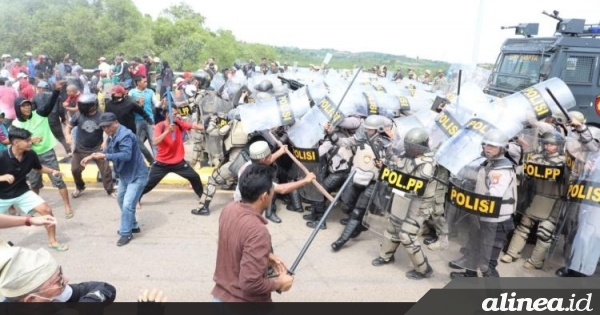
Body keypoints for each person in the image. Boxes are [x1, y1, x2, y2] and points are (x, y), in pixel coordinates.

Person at [212, 163, 294, 302]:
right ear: (263, 196)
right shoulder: (258, 231)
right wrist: (280, 283)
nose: (273, 193)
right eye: (271, 189)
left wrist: (265, 256)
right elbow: (250, 283)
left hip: (220, 299)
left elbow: (231, 245)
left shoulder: (229, 209)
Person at [370, 127, 441, 280]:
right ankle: (386, 256)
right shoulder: (406, 155)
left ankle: (423, 269)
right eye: (408, 144)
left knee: (407, 235)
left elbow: (415, 185)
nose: (408, 148)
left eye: (412, 146)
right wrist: (384, 168)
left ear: (421, 146)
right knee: (392, 227)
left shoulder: (428, 163)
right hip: (402, 197)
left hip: (418, 203)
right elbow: (398, 170)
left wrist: (393, 175)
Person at [449, 129, 517, 278]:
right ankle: (469, 276)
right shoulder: (490, 163)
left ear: (502, 148)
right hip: (482, 215)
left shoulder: (502, 170)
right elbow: (480, 178)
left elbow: (494, 194)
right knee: (473, 250)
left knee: (486, 264)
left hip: (496, 221)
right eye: (486, 145)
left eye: (492, 146)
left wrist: (473, 197)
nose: (487, 148)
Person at [80, 112, 148, 247]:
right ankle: (133, 224)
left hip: (136, 175)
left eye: (108, 126)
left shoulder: (125, 135)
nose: (106, 129)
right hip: (124, 174)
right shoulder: (113, 135)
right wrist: (92, 156)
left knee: (128, 204)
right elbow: (109, 150)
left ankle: (126, 232)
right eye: (103, 127)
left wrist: (104, 157)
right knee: (121, 199)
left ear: (116, 122)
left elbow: (126, 155)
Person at [11, 82, 74, 219]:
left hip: (47, 152)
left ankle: (67, 206)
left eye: (28, 105)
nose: (27, 108)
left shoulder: (40, 114)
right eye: (23, 106)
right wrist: (30, 141)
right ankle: (33, 208)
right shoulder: (16, 124)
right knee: (34, 183)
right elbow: (15, 142)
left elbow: (51, 102)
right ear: (18, 108)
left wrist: (56, 90)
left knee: (58, 180)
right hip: (29, 155)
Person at [0, 127, 68, 251]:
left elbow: (38, 167)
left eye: (30, 140)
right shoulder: (1, 156)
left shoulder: (30, 154)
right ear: (16, 142)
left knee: (47, 210)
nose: (30, 142)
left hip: (22, 192)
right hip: (2, 196)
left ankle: (52, 241)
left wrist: (52, 171)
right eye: (27, 141)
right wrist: (2, 177)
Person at [0, 242, 116, 303]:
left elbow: (105, 288)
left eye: (60, 274)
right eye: (58, 280)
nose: (66, 279)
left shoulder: (51, 295)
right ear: (31, 300)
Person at [231, 141, 316, 222]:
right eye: (270, 155)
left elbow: (268, 160)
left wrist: (281, 151)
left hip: (240, 204)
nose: (271, 157)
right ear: (264, 159)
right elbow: (282, 189)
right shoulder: (258, 176)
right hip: (247, 209)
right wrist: (305, 180)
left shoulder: (249, 164)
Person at [139, 106, 204, 206]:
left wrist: (207, 128)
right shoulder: (160, 126)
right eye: (173, 113)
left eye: (176, 113)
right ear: (166, 114)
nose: (176, 115)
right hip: (162, 163)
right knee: (148, 184)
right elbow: (155, 142)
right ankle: (136, 199)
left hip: (178, 162)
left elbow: (194, 126)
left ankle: (202, 198)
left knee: (195, 177)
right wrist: (167, 131)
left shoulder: (178, 123)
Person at [65, 94, 115, 198]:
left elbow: (107, 130)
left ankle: (110, 190)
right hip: (80, 148)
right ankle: (80, 187)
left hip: (98, 148)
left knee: (105, 170)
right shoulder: (78, 115)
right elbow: (68, 127)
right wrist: (68, 136)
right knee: (75, 170)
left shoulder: (101, 115)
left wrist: (105, 141)